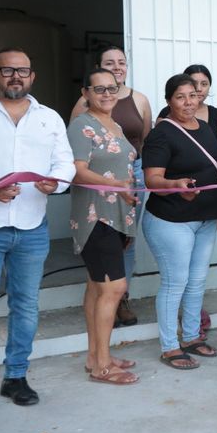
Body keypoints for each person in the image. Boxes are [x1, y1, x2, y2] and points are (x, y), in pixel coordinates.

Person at [0, 48, 75, 422]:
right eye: (8, 70)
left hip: (32, 226)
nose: (15, 77)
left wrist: (58, 183)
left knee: (26, 305)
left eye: (23, 71)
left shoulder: (48, 118)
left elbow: (64, 162)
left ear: (32, 77)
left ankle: (15, 377)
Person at [142, 74, 217, 370]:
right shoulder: (162, 134)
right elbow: (151, 179)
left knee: (196, 282)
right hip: (171, 220)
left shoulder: (206, 128)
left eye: (193, 95)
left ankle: (192, 337)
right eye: (180, 97)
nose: (188, 102)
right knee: (175, 283)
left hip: (206, 219)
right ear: (169, 100)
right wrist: (177, 184)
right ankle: (170, 346)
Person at [68, 68, 139, 385]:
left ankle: (97, 356)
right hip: (96, 216)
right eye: (99, 89)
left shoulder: (116, 125)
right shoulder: (82, 126)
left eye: (112, 88)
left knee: (97, 287)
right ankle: (102, 367)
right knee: (114, 288)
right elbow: (77, 172)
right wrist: (119, 186)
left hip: (117, 215)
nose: (107, 94)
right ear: (85, 93)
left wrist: (126, 191)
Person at [71, 45, 152, 327]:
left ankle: (100, 352)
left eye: (121, 62)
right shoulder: (84, 116)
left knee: (119, 253)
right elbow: (77, 160)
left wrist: (128, 181)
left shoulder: (131, 108)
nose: (117, 67)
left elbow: (144, 142)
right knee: (104, 276)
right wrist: (114, 182)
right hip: (98, 201)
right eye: (109, 63)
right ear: (87, 92)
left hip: (127, 189)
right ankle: (102, 356)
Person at [158, 64, 217, 148]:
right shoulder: (167, 113)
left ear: (210, 86)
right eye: (194, 84)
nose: (199, 88)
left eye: (204, 84)